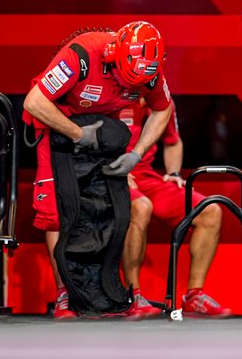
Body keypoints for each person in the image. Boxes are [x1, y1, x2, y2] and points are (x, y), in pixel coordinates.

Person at [22, 23, 174, 320]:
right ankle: (65, 294)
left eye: (135, 86)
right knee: (56, 212)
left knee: (108, 209)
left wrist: (136, 153)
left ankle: (109, 292)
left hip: (101, 128)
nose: (129, 88)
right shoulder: (82, 55)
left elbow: (162, 108)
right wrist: (77, 134)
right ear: (113, 57)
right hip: (54, 121)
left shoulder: (150, 70)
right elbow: (35, 101)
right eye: (123, 79)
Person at [118, 100, 232, 318]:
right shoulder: (112, 92)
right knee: (141, 207)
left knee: (210, 211)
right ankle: (133, 296)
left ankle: (194, 296)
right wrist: (115, 171)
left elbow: (172, 141)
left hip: (146, 177)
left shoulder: (161, 98)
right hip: (113, 176)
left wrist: (174, 173)